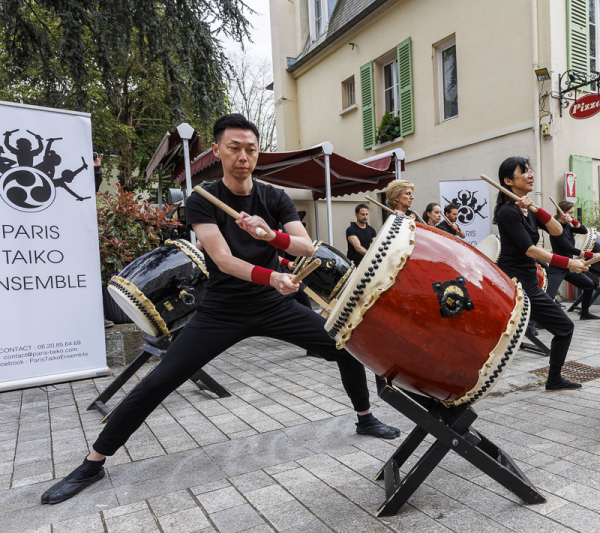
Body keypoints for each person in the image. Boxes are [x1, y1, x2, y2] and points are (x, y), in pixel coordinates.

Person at [41, 114, 400, 505]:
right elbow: (224, 259)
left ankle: (364, 418)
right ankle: (93, 462)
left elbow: (306, 247)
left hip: (271, 304)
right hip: (222, 309)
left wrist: (271, 235)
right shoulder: (203, 199)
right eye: (234, 148)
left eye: (251, 148)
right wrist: (271, 276)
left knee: (344, 343)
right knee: (160, 380)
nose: (243, 156)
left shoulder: (274, 197)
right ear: (217, 151)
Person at [493, 157, 588, 390]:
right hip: (515, 284)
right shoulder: (508, 212)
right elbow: (530, 249)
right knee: (564, 327)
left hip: (528, 282)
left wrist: (535, 208)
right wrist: (569, 263)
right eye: (523, 172)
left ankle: (554, 378)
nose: (530, 174)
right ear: (508, 181)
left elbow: (556, 230)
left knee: (564, 328)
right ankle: (554, 379)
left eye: (530, 170)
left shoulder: (526, 210)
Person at [545, 200, 600, 321]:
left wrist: (573, 221)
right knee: (549, 296)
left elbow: (584, 231)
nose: (572, 215)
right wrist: (591, 255)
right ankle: (534, 324)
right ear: (562, 214)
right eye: (570, 213)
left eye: (573, 213)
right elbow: (569, 248)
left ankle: (584, 313)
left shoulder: (568, 226)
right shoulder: (556, 228)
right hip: (558, 266)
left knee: (589, 286)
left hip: (569, 266)